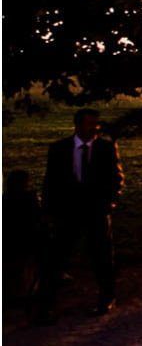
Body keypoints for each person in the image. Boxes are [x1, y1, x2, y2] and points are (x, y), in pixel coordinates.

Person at [37, 108, 124, 322]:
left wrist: (110, 201)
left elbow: (117, 176)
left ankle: (107, 297)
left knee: (102, 255)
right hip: (68, 211)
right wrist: (49, 210)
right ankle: (45, 305)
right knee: (57, 257)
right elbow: (51, 181)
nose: (94, 128)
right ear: (77, 125)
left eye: (96, 124)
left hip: (96, 210)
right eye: (89, 124)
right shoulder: (59, 149)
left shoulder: (105, 147)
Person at [3, 170, 42, 305]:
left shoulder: (5, 199)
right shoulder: (29, 198)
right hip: (28, 240)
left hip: (12, 241)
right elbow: (38, 217)